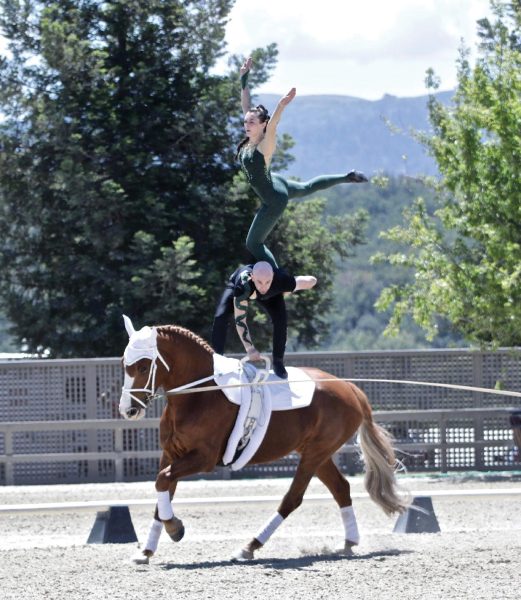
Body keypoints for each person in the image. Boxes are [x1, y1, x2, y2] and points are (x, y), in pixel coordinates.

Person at [238, 57, 369, 269]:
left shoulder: (265, 146)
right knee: (308, 187)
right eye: (246, 121)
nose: (246, 124)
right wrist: (244, 77)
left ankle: (277, 280)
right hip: (276, 182)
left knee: (253, 243)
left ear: (262, 125)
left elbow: (273, 126)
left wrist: (281, 106)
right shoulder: (252, 136)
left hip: (273, 199)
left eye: (252, 122)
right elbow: (245, 102)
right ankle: (348, 176)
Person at [211, 261, 317, 379]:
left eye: (267, 282)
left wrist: (290, 288)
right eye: (259, 282)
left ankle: (278, 361)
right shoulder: (242, 286)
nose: (263, 287)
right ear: (252, 277)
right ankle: (217, 358)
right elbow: (240, 321)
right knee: (220, 316)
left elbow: (312, 281)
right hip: (242, 287)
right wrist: (250, 348)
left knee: (281, 322)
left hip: (272, 294)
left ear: (273, 276)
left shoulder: (281, 279)